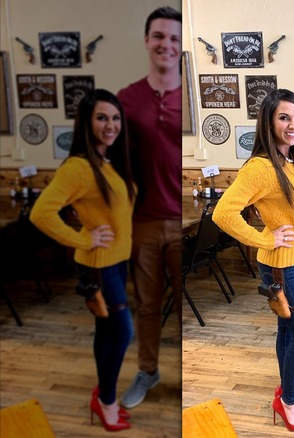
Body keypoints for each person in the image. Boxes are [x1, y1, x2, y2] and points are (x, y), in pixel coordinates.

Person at [213, 89, 294, 432]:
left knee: (287, 330)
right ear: (269, 122)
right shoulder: (261, 167)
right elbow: (223, 213)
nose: (293, 125)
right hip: (281, 264)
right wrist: (265, 237)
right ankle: (289, 400)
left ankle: (284, 394)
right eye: (284, 117)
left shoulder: (290, 161)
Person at [30, 89, 136, 432]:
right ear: (86, 123)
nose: (111, 125)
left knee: (106, 330)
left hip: (115, 262)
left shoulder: (107, 162)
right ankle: (106, 400)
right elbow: (41, 213)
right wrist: (82, 238)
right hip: (98, 264)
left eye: (115, 118)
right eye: (102, 118)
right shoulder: (78, 167)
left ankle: (103, 394)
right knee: (121, 333)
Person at [116, 6, 183, 409]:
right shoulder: (126, 99)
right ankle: (148, 370)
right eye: (159, 36)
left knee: (183, 309)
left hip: (181, 220)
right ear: (146, 41)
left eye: (174, 38)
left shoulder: (188, 97)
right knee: (147, 305)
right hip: (141, 221)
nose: (166, 44)